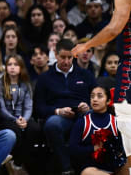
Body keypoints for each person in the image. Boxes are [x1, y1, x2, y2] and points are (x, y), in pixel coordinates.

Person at [34, 39, 97, 174]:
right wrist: (57, 111)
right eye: (63, 57)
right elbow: (38, 108)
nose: (66, 61)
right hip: (59, 116)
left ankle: (92, 166)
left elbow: (97, 96)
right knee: (52, 125)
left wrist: (89, 105)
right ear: (55, 55)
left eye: (70, 58)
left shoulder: (86, 75)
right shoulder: (44, 78)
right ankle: (66, 168)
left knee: (93, 120)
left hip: (83, 114)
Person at [0, 54, 39, 173]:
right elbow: (1, 108)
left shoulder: (25, 84)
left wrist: (24, 119)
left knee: (34, 129)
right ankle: (11, 160)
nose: (12, 67)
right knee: (15, 131)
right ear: (6, 67)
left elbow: (29, 106)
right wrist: (15, 120)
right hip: (6, 119)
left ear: (21, 68)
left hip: (23, 118)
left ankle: (18, 162)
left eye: (15, 64)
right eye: (9, 64)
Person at [69, 86, 128, 175]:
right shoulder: (83, 121)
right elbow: (73, 149)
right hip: (90, 168)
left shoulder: (116, 121)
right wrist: (93, 148)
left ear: (108, 101)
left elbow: (124, 147)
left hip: (113, 166)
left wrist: (119, 152)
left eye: (99, 96)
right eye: (92, 96)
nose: (95, 99)